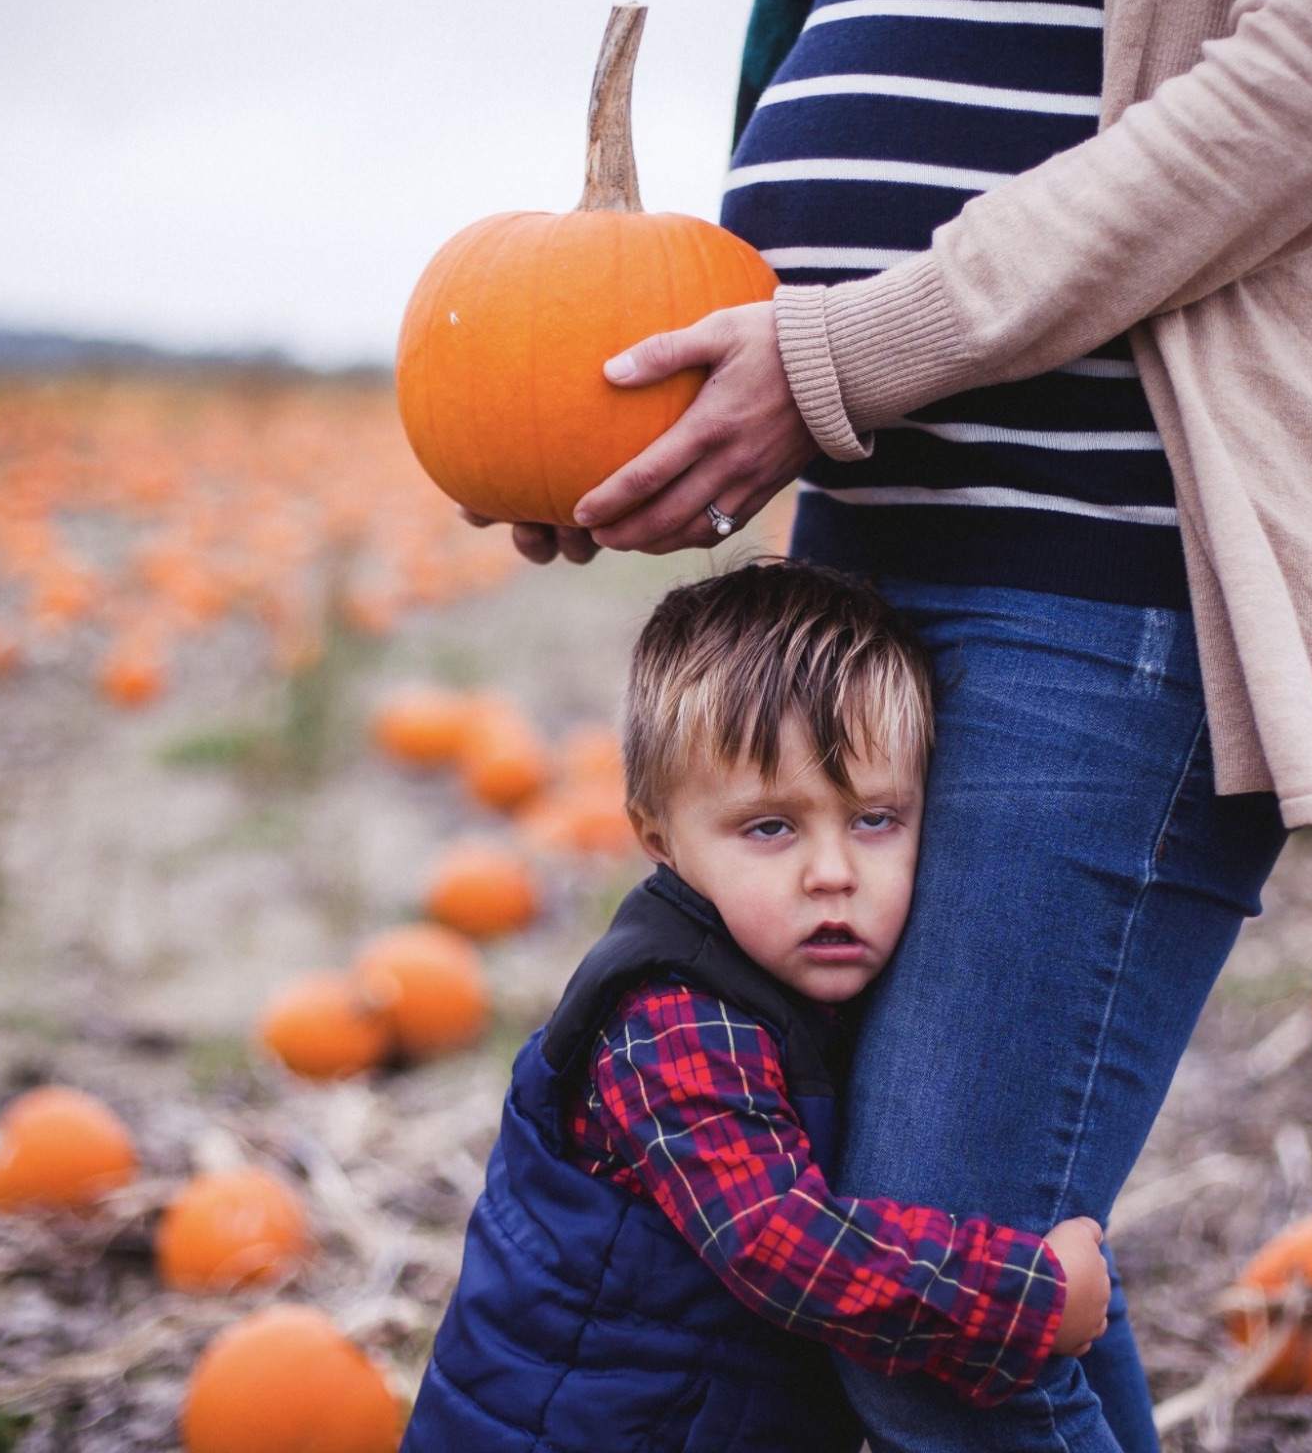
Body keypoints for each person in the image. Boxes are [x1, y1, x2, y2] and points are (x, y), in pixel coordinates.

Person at [470, 0, 1312, 1446]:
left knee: (934, 1337)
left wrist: (842, 357)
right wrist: (605, 425)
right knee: (994, 1291)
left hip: (1106, 573)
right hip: (864, 559)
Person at [401, 561, 1112, 1452]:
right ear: (660, 840)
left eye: (875, 819)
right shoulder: (673, 1021)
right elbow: (778, 1244)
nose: (832, 873)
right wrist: (1021, 1300)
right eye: (770, 827)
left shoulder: (792, 970)